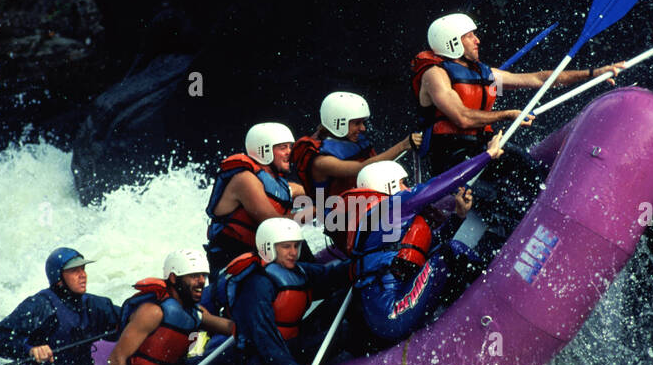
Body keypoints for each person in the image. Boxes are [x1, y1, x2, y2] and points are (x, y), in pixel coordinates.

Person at [412, 12, 625, 174]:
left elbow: (539, 79)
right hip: (452, 160)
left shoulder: (485, 73)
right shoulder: (434, 75)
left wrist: (593, 73)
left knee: (529, 168)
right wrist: (508, 114)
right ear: (453, 43)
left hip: (482, 148)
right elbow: (462, 118)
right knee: (511, 177)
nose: (477, 40)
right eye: (470, 36)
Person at [334, 141, 500, 345]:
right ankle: (501, 288)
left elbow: (428, 249)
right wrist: (487, 155)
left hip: (389, 313)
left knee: (445, 256)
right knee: (453, 251)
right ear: (388, 185)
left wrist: (458, 216)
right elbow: (439, 185)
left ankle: (478, 303)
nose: (408, 187)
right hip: (393, 313)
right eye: (403, 182)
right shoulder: (392, 207)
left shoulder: (382, 221)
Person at [107, 248, 238, 365]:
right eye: (193, 276)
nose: (201, 282)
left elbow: (231, 328)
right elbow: (116, 359)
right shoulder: (153, 312)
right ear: (174, 279)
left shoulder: (195, 312)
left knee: (228, 343)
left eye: (203, 276)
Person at [222, 217, 351, 365]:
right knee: (343, 331)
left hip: (291, 346)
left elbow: (331, 276)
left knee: (342, 298)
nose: (293, 252)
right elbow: (263, 336)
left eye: (296, 246)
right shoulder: (257, 285)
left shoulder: (297, 270)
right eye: (286, 247)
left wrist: (362, 264)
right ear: (268, 247)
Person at [0, 248, 122, 365]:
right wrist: (30, 350)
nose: (82, 275)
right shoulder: (40, 306)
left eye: (83, 269)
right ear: (58, 278)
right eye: (74, 271)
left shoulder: (94, 305)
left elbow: (129, 320)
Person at [204, 122, 305, 280]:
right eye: (282, 147)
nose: (289, 153)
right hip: (233, 264)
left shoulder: (275, 181)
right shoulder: (245, 180)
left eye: (290, 147)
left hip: (258, 257)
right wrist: (318, 211)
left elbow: (302, 191)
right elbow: (275, 224)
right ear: (263, 150)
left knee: (299, 248)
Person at [291, 92, 423, 206]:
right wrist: (403, 146)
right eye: (357, 123)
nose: (363, 128)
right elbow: (361, 168)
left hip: (359, 208)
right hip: (337, 221)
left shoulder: (351, 142)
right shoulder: (320, 161)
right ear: (338, 122)